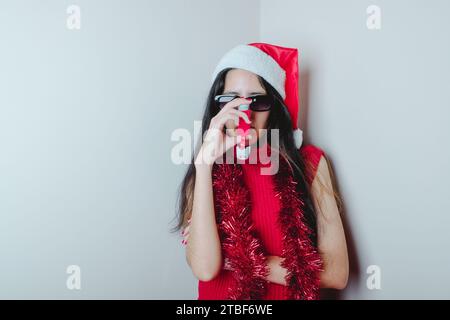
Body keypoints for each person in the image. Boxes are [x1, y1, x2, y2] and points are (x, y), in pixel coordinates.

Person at [174, 43, 348, 299]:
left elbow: (337, 273)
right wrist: (203, 166)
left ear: (274, 106)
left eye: (258, 101)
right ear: (218, 108)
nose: (246, 114)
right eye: (232, 100)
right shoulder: (205, 167)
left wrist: (241, 257)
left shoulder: (310, 163)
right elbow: (206, 268)